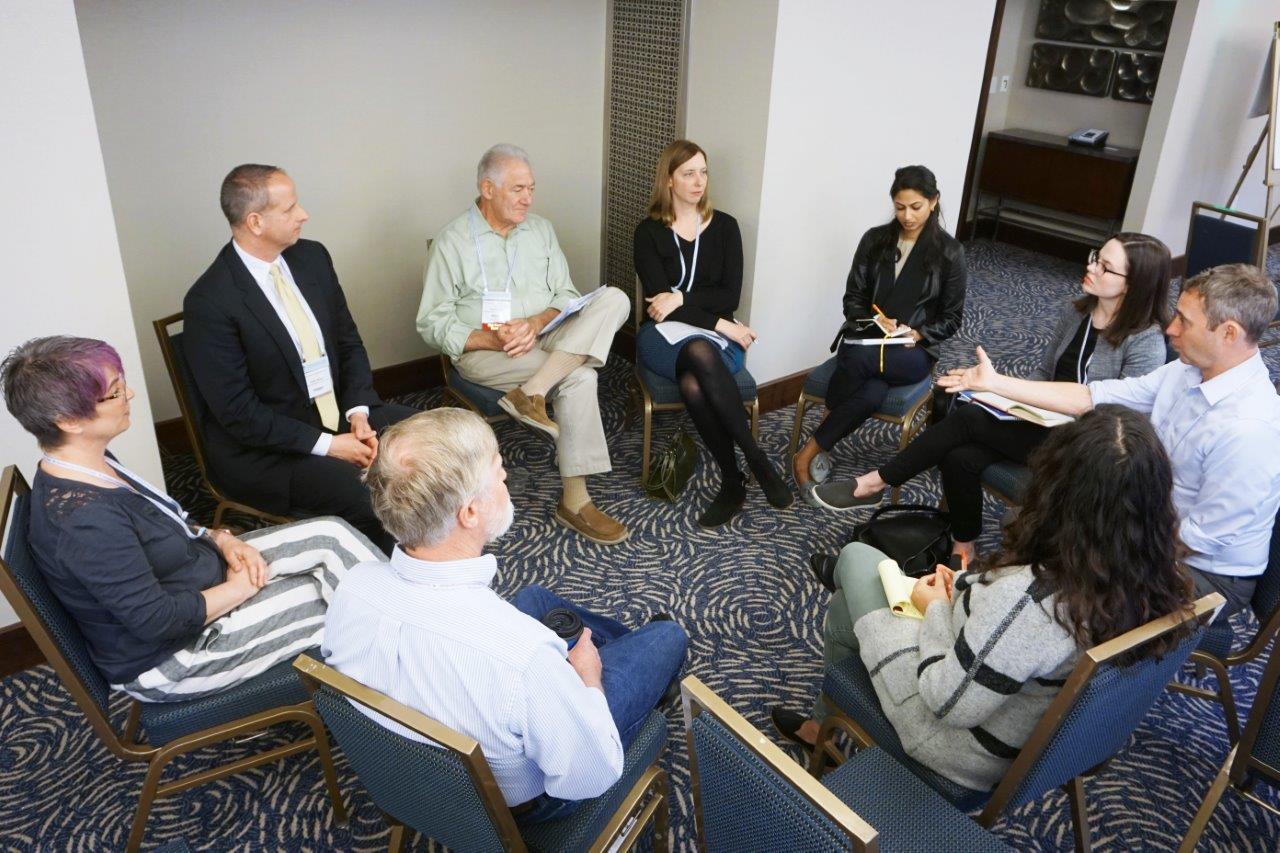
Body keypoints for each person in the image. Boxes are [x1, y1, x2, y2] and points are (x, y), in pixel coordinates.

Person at [771, 405, 1197, 791]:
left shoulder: (1033, 600)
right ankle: (822, 725)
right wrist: (963, 587)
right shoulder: (1158, 576)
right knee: (849, 609)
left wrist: (936, 608)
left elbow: (946, 701)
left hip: (955, 746)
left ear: (1056, 486)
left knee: (858, 558)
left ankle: (825, 729)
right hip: (1016, 719)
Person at [322, 408, 688, 823]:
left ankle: (609, 655)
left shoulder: (352, 588)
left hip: (406, 782)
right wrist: (588, 682)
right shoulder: (523, 657)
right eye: (499, 471)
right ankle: (632, 662)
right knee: (667, 637)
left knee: (534, 599)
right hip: (518, 805)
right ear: (470, 513)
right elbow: (590, 775)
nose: (506, 479)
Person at [1, 336, 380, 701]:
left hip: (198, 572)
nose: (129, 394)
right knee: (342, 604)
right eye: (115, 392)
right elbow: (156, 622)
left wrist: (223, 540)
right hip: (177, 657)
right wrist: (240, 589)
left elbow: (171, 521)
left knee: (332, 536)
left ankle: (417, 631)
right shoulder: (83, 519)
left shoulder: (89, 465)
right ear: (69, 421)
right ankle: (412, 689)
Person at [938, 263, 1280, 619]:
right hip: (1147, 522)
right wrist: (995, 383)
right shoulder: (1187, 369)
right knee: (1030, 525)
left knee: (1068, 591)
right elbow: (1094, 397)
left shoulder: (1249, 429)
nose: (1171, 330)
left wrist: (1101, 543)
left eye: (1184, 321)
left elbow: (1202, 538)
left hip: (1202, 571)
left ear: (1228, 333)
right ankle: (989, 621)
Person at [811, 233, 1171, 568]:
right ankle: (963, 543)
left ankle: (876, 482)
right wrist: (1000, 398)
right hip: (1042, 423)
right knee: (960, 455)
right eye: (1096, 257)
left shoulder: (1145, 340)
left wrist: (999, 387)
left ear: (1134, 285)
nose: (1091, 267)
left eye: (1105, 266)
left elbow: (1123, 422)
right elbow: (1044, 375)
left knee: (970, 422)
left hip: (1091, 449)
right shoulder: (1076, 312)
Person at [183, 164, 417, 555]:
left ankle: (443, 565)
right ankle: (395, 589)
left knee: (440, 440)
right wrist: (329, 445)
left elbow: (348, 342)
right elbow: (240, 414)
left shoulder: (311, 257)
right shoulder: (210, 302)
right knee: (374, 499)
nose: (303, 214)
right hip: (271, 450)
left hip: (341, 415)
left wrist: (358, 411)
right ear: (255, 221)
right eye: (290, 208)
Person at [418, 144, 633, 545]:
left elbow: (566, 294)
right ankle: (576, 501)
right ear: (487, 188)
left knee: (617, 298)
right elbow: (431, 322)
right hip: (487, 351)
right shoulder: (453, 242)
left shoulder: (541, 230)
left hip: (547, 333)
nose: (528, 199)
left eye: (531, 188)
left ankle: (531, 392)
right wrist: (491, 338)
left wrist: (535, 324)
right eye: (518, 189)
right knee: (580, 377)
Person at [633, 140, 792, 526]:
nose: (698, 181)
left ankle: (733, 479)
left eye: (703, 172)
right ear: (669, 180)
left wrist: (680, 298)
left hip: (713, 341)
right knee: (696, 350)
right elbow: (658, 305)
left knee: (694, 377)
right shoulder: (648, 232)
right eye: (688, 173)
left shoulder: (726, 228)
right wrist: (721, 322)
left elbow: (729, 294)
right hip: (664, 336)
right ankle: (755, 458)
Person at [794, 165, 967, 509]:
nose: (907, 216)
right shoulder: (876, 240)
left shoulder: (950, 252)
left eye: (916, 207)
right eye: (900, 207)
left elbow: (951, 319)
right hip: (869, 337)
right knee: (872, 387)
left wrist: (918, 332)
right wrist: (876, 320)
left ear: (934, 202)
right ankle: (812, 451)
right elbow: (852, 298)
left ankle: (814, 445)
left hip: (912, 350)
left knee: (855, 358)